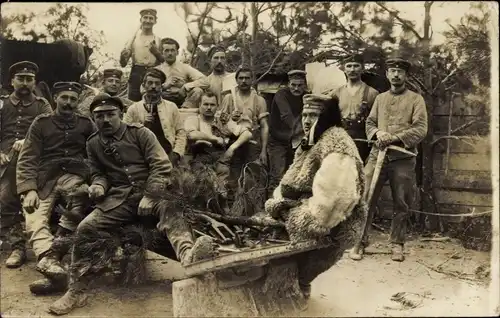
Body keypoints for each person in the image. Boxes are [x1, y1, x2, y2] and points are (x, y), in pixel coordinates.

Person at [48, 94, 216, 315]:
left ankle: (189, 257)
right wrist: (98, 186)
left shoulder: (140, 133)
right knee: (86, 228)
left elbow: (161, 165)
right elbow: (99, 173)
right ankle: (77, 290)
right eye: (99, 116)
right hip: (120, 198)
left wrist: (149, 194)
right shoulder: (94, 143)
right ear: (94, 118)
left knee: (170, 209)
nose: (106, 120)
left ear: (120, 115)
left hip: (154, 192)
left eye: (110, 114)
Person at [264, 93, 366, 300]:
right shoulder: (312, 141)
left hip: (332, 224)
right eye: (305, 115)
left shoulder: (336, 143)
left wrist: (299, 219)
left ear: (326, 117)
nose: (307, 121)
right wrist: (280, 203)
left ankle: (295, 292)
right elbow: (292, 180)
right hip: (305, 212)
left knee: (292, 268)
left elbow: (335, 197)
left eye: (314, 115)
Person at [348, 57, 428, 262]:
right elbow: (370, 122)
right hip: (378, 155)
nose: (396, 75)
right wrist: (377, 133)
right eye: (392, 71)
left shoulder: (416, 99)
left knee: (401, 201)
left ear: (406, 75)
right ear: (387, 74)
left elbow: (420, 129)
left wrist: (396, 137)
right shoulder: (380, 98)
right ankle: (359, 241)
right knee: (365, 197)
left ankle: (397, 243)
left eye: (400, 72)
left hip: (403, 157)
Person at [16, 81, 96, 282]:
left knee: (79, 200)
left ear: (78, 102)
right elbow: (28, 157)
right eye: (64, 98)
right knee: (32, 212)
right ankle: (46, 257)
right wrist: (29, 189)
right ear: (55, 98)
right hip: (46, 177)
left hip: (75, 174)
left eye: (73, 99)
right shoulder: (41, 123)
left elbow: (96, 151)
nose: (68, 103)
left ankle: (58, 252)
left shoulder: (86, 123)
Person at [0, 61, 53, 268]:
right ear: (12, 81)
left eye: (29, 79)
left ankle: (47, 247)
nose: (24, 83)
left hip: (36, 161)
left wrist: (29, 140)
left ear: (35, 83)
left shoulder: (42, 105)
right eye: (20, 79)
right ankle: (16, 247)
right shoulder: (2, 104)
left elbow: (51, 132)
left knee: (36, 203)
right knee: (5, 199)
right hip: (7, 162)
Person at [184, 90, 253, 199]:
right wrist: (214, 139)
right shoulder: (193, 119)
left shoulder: (222, 120)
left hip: (221, 160)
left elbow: (247, 134)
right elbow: (192, 135)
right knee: (207, 187)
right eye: (205, 104)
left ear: (217, 106)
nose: (209, 108)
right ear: (199, 105)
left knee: (223, 190)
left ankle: (223, 207)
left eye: (212, 105)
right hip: (200, 161)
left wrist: (231, 148)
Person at [124, 68, 186, 166]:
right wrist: (142, 126)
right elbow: (125, 135)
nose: (153, 86)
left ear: (161, 86)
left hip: (167, 154)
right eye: (150, 83)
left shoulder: (171, 107)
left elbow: (181, 132)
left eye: (157, 83)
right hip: (142, 157)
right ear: (144, 85)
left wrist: (177, 153)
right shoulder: (134, 109)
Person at [220, 67, 269, 188]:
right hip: (233, 141)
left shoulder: (259, 100)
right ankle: (233, 204)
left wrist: (263, 150)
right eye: (241, 78)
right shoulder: (229, 98)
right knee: (233, 178)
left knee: (252, 177)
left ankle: (250, 204)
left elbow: (264, 126)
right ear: (236, 80)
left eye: (247, 78)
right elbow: (221, 122)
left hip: (252, 143)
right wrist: (231, 117)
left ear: (252, 80)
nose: (244, 81)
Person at [329, 54, 379, 163]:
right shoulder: (336, 93)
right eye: (349, 66)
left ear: (363, 68)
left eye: (356, 66)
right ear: (343, 69)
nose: (352, 69)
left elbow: (377, 120)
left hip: (364, 139)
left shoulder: (372, 93)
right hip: (342, 137)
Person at [267, 69, 307, 195]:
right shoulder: (281, 94)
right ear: (288, 84)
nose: (296, 88)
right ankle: (269, 204)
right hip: (278, 140)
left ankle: (287, 205)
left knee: (294, 175)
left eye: (300, 85)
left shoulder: (306, 96)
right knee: (277, 175)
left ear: (304, 85)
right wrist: (304, 131)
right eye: (293, 85)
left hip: (296, 141)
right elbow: (286, 116)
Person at [120, 8, 164, 102]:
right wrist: (122, 56)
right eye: (145, 17)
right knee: (132, 103)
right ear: (141, 20)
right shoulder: (132, 40)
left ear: (155, 21)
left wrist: (156, 52)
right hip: (136, 73)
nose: (148, 21)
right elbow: (123, 63)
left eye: (151, 18)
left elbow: (164, 62)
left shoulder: (159, 40)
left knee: (152, 102)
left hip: (153, 73)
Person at [154, 37, 209, 108]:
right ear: (162, 52)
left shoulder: (185, 67)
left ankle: (185, 110)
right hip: (163, 98)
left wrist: (185, 86)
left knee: (198, 91)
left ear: (177, 52)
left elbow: (205, 81)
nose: (170, 53)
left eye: (172, 50)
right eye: (166, 50)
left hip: (182, 98)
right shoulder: (157, 69)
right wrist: (164, 86)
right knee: (153, 94)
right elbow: (144, 89)